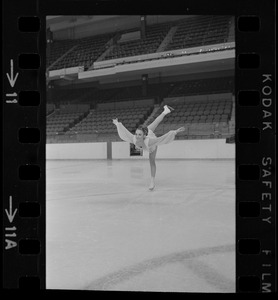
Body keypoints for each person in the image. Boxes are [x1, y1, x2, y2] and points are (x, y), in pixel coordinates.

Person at [113, 105, 185, 190]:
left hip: (151, 147)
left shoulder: (149, 141)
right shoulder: (134, 138)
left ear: (144, 135)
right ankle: (165, 111)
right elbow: (125, 132)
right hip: (148, 133)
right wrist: (117, 124)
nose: (137, 136)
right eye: (136, 134)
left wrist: (175, 132)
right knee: (155, 123)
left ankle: (152, 181)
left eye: (139, 135)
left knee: (151, 161)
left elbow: (161, 139)